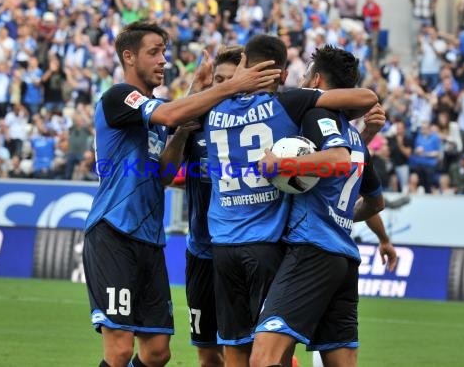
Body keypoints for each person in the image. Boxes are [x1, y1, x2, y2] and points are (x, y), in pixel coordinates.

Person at [82, 21, 282, 367]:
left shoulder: (152, 113)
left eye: (165, 52)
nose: (163, 60)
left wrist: (179, 134)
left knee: (158, 353)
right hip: (113, 232)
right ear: (129, 57)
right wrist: (232, 85)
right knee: (118, 352)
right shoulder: (119, 96)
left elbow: (162, 173)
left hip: (149, 239)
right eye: (154, 52)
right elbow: (171, 112)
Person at [204, 35, 378, 366]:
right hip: (289, 246)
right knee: (284, 357)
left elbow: (338, 159)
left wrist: (281, 164)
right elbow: (366, 101)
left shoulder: (210, 108)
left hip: (235, 246)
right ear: (282, 75)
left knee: (247, 357)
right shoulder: (294, 105)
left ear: (243, 67)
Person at [251, 45, 395, 367]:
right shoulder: (357, 140)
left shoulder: (317, 115)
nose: (301, 80)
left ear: (316, 80)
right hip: (344, 259)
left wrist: (280, 167)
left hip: (311, 250)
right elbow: (375, 202)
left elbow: (336, 161)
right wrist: (344, 219)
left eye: (305, 74)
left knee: (264, 357)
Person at [183, 46, 244, 367]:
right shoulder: (196, 122)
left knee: (256, 352)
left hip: (245, 252)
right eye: (217, 80)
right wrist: (195, 87)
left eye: (230, 81)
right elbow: (165, 171)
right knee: (208, 355)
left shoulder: (259, 125)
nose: (222, 87)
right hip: (202, 255)